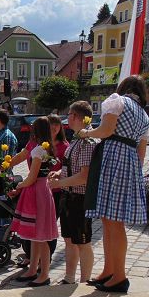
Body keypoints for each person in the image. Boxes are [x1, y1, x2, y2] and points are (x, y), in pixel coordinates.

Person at [76, 76, 149, 293]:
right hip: (129, 163)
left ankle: (119, 275)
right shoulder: (144, 116)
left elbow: (106, 130)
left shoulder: (117, 101)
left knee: (113, 222)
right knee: (111, 221)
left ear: (123, 88)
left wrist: (86, 132)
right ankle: (109, 271)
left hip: (113, 157)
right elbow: (141, 154)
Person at [48, 101, 97, 284]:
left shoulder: (88, 142)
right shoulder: (77, 139)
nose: (67, 118)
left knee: (82, 241)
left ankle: (85, 280)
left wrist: (59, 183)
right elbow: (72, 168)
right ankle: (69, 278)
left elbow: (84, 176)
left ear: (77, 117)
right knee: (69, 239)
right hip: (69, 196)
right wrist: (59, 172)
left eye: (69, 114)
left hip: (80, 198)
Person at [8, 117, 58, 286]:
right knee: (36, 236)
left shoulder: (38, 150)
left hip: (37, 190)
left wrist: (19, 185)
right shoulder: (45, 148)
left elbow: (32, 177)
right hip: (41, 190)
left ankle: (44, 274)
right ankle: (33, 269)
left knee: (41, 237)